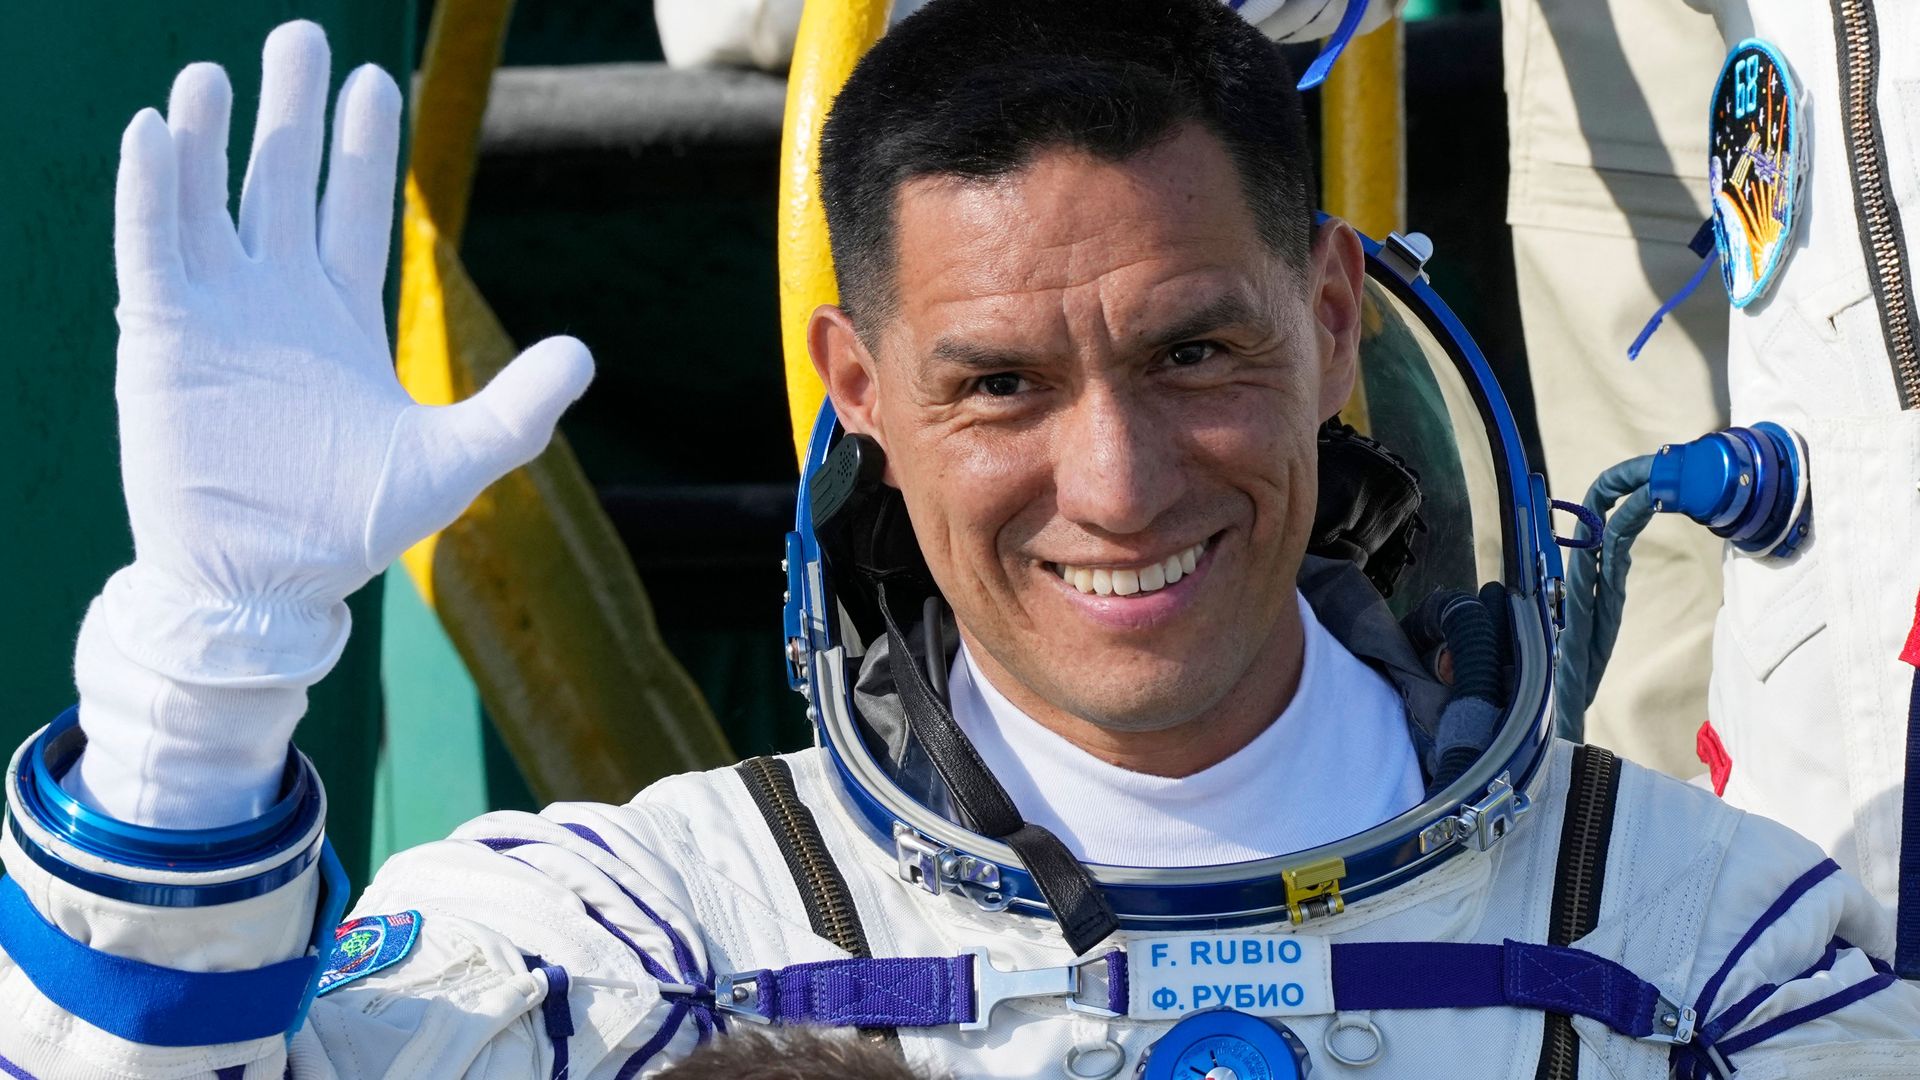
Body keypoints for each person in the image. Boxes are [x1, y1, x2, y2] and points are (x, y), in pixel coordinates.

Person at [2, 4, 1916, 1079]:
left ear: (1335, 313)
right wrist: (203, 678)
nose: (1116, 480)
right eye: (998, 384)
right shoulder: (679, 941)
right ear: (857, 382)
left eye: (1194, 353)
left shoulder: (1692, 953)